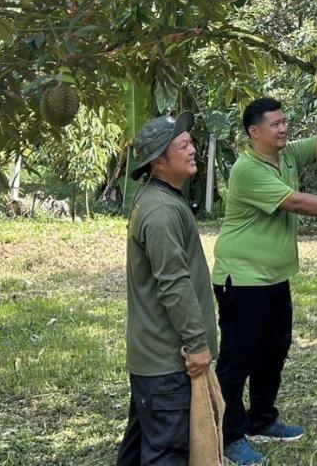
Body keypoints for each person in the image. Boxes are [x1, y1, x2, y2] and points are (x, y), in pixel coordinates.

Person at [212, 96, 317, 465]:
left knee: (273, 350)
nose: (284, 128)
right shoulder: (247, 169)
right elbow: (296, 203)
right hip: (242, 280)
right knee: (237, 360)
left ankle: (262, 419)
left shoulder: (286, 156)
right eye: (276, 124)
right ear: (254, 132)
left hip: (274, 277)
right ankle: (229, 435)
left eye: (285, 122)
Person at [117, 112, 218, 466]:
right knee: (167, 453)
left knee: (142, 446)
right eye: (184, 145)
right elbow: (174, 285)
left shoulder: (161, 200)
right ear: (160, 162)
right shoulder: (160, 212)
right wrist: (197, 344)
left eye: (191, 142)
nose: (193, 150)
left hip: (154, 361)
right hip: (168, 363)